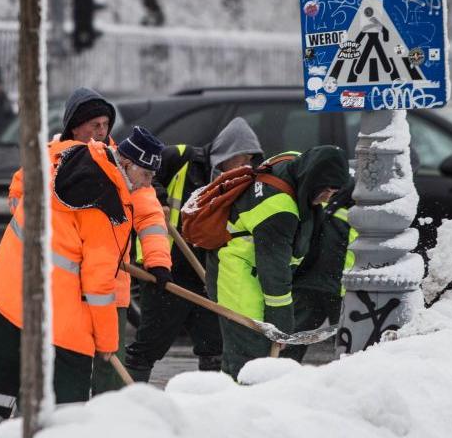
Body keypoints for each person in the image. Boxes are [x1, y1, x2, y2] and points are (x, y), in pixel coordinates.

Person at [0, 135, 147, 438]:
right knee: (72, 380)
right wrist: (106, 344)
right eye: (146, 176)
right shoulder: (111, 210)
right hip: (59, 306)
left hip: (12, 285)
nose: (146, 185)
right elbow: (100, 287)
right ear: (127, 165)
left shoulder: (65, 152)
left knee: (2, 366)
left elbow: (24, 175)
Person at [122, 117, 264, 382]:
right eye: (242, 158)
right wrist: (160, 201)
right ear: (227, 152)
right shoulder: (183, 157)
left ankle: (209, 400)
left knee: (214, 346)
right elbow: (145, 175)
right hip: (167, 266)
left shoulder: (239, 182)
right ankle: (128, 398)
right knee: (149, 343)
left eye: (249, 160)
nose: (246, 166)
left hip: (207, 272)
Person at [54, 88, 173, 394]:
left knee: (109, 362)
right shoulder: (53, 160)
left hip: (109, 286)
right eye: (94, 125)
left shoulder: (125, 165)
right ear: (74, 127)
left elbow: (149, 216)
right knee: (68, 364)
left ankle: (108, 425)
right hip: (64, 286)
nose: (102, 131)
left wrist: (157, 260)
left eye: (106, 124)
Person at [205, 146, 350, 378]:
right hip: (236, 273)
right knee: (252, 353)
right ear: (312, 180)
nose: (328, 197)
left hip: (251, 268)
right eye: (325, 190)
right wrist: (281, 325)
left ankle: (227, 399)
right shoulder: (278, 208)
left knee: (241, 353)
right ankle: (245, 406)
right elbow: (274, 273)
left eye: (334, 191)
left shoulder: (294, 163)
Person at [283, 178, 357, 363]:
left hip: (307, 281)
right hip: (339, 289)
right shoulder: (358, 217)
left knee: (294, 339)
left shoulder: (321, 209)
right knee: (347, 344)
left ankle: (277, 376)